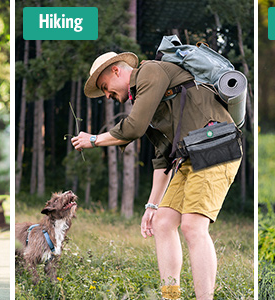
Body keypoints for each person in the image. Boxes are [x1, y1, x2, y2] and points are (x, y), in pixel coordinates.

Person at [72, 51, 241, 300]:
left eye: (105, 87)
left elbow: (133, 127)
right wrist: (152, 205)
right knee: (162, 223)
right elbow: (163, 156)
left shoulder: (150, 72)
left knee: (193, 226)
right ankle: (170, 297)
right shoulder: (144, 97)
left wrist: (95, 139)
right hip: (190, 155)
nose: (107, 96)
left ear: (116, 70)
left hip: (216, 145)